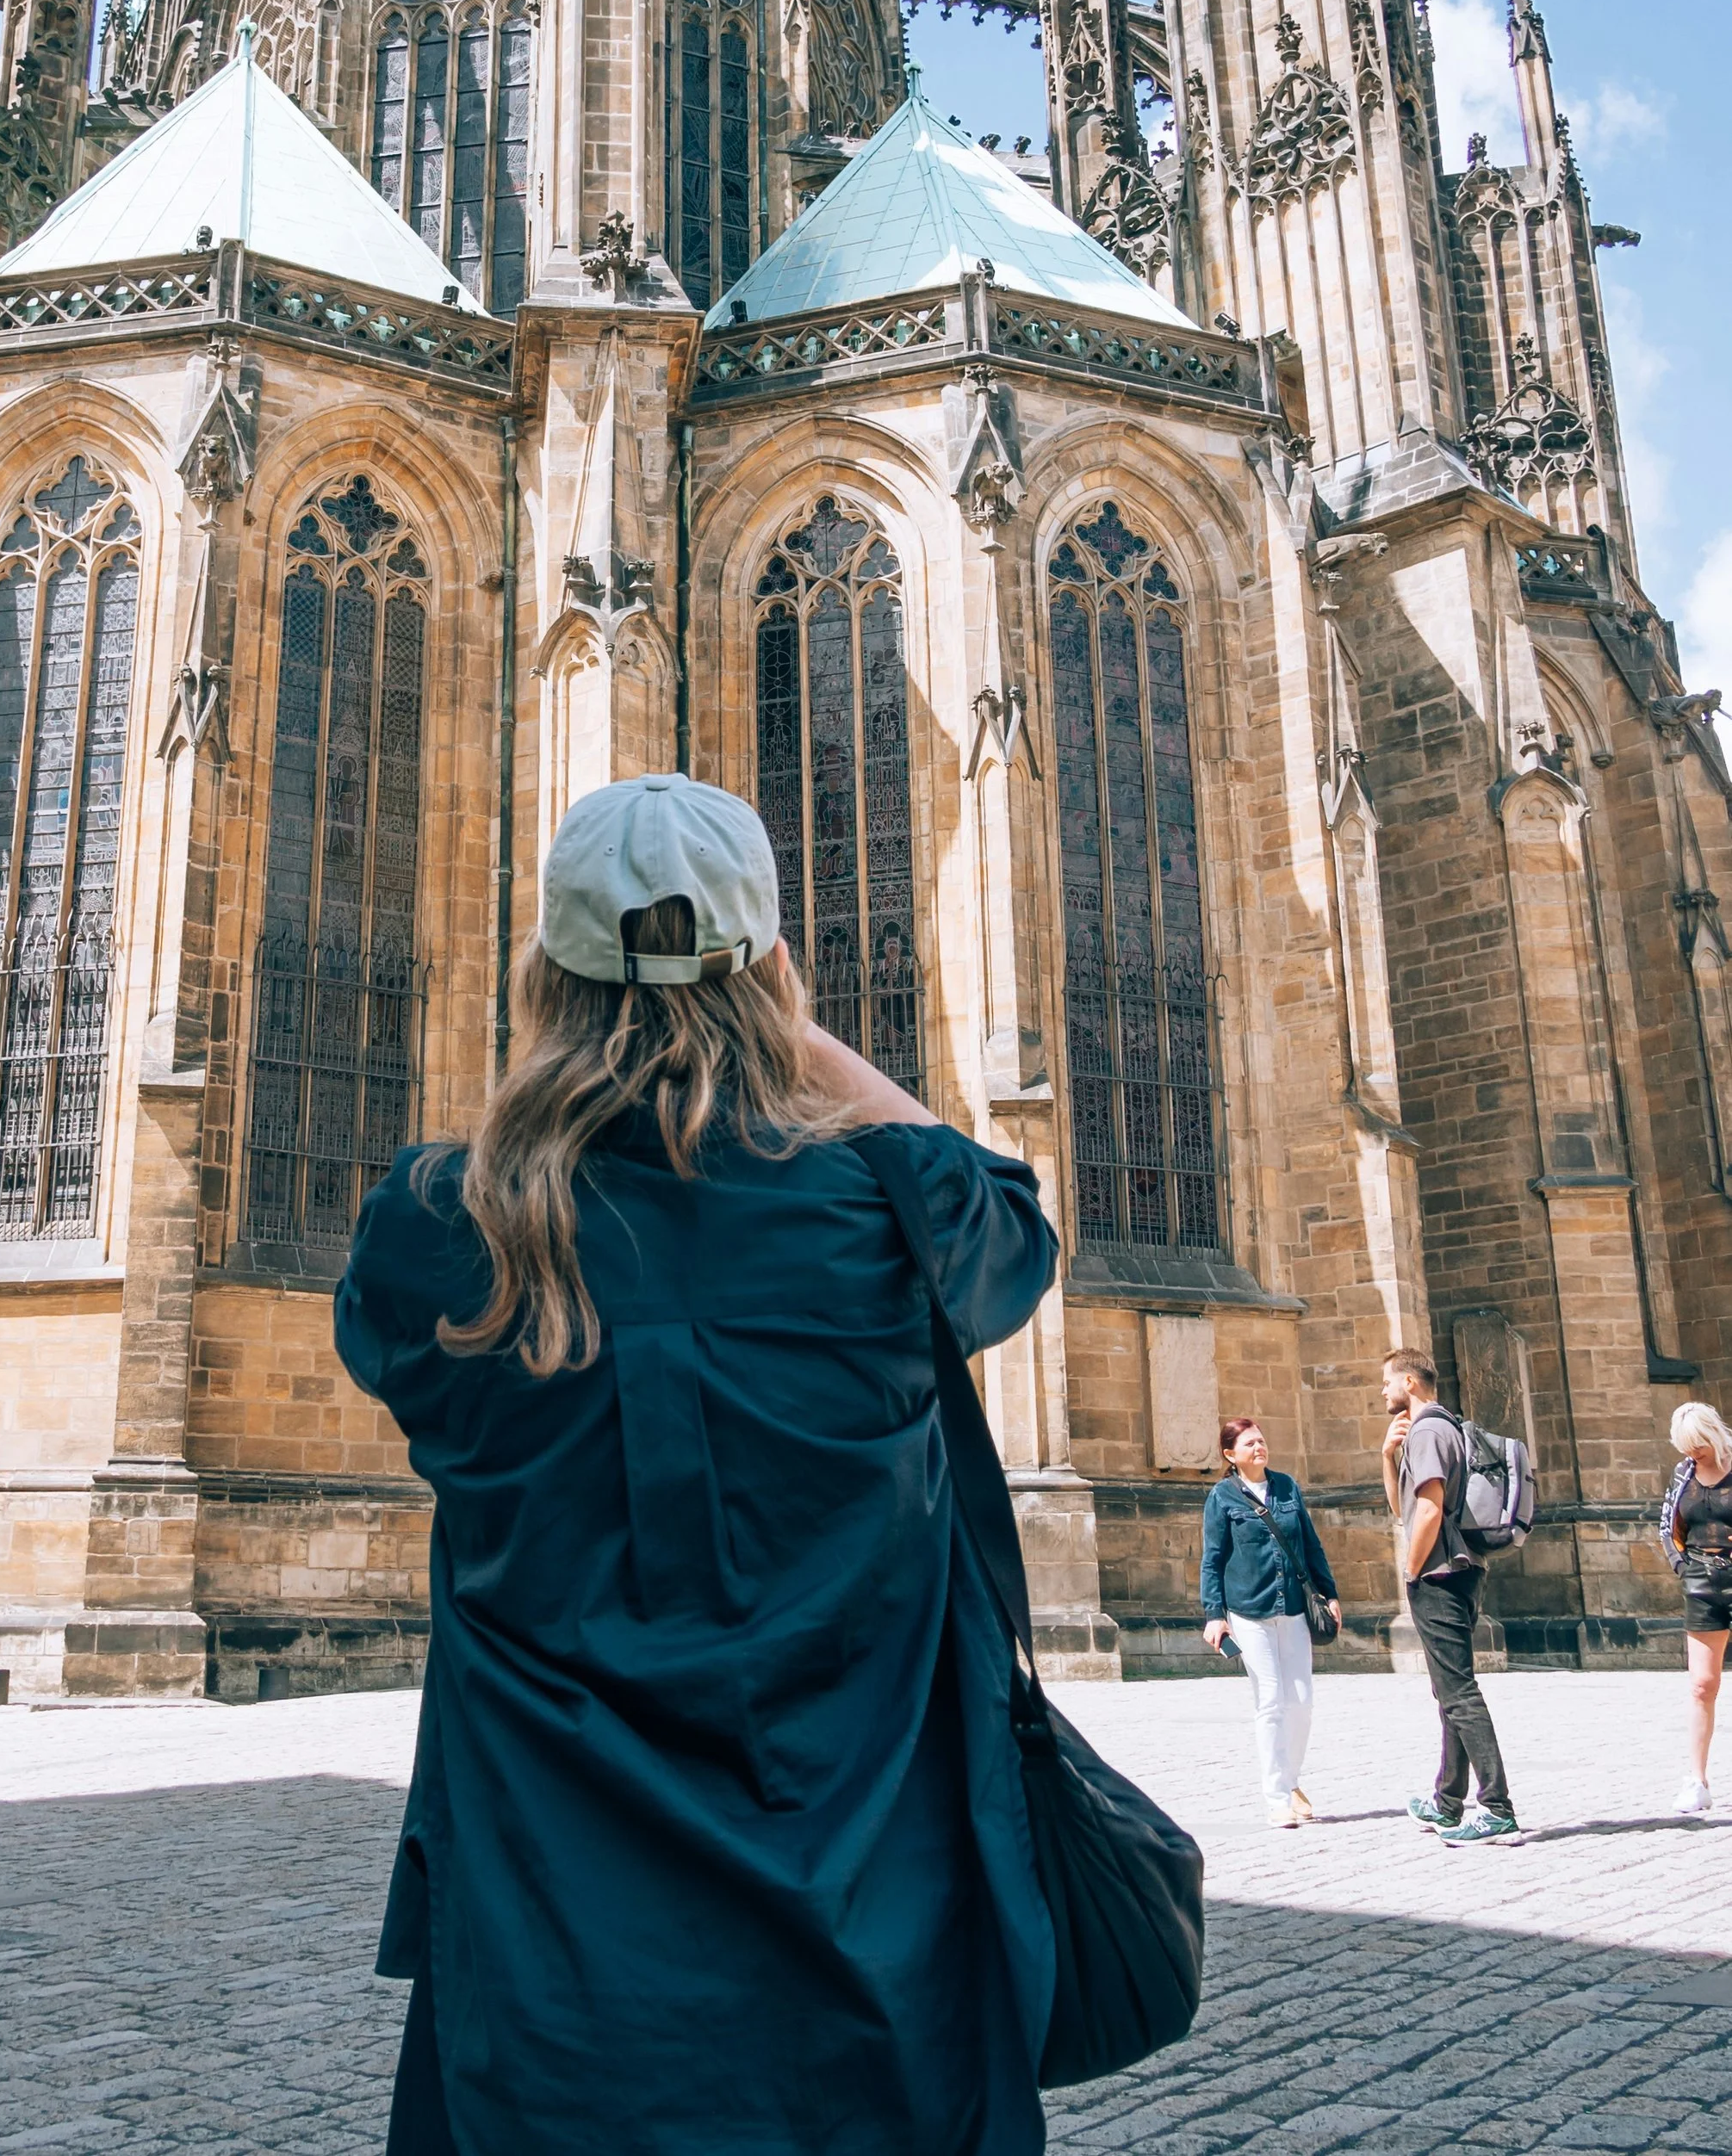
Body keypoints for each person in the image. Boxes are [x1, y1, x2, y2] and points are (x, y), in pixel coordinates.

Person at [335, 773, 1063, 2156]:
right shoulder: (886, 1217)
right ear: (774, 973)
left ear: (545, 974)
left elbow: (395, 1352)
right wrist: (800, 1035)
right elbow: (1010, 1226)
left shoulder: (434, 1232)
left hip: (550, 1970)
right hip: (869, 1945)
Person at [1381, 1348, 1518, 1843]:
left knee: (1459, 1693)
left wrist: (1411, 1570)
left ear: (1411, 1383)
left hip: (1440, 1574)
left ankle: (1498, 1808)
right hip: (1460, 1569)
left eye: (1388, 1383)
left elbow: (1429, 1510)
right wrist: (1387, 1456)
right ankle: (1446, 1802)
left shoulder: (1429, 1430)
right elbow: (1401, 1508)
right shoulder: (1443, 1428)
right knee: (1449, 1690)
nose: (1384, 1392)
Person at [1200, 1416, 1342, 1826]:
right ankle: (1276, 1798)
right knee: (1271, 1701)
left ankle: (1291, 1780)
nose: (1259, 1447)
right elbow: (1212, 1560)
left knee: (1301, 1701)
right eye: (1249, 1443)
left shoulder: (1287, 1487)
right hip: (1248, 1611)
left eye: (1261, 1440)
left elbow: (1311, 1545)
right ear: (1231, 1454)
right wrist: (1215, 1615)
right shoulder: (1222, 1497)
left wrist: (1329, 1593)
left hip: (1294, 1607)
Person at [1659, 1400, 1732, 1816]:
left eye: (1698, 1445)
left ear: (1712, 1435)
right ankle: (1697, 1780)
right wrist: (1681, 1566)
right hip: (1702, 1583)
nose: (1692, 1454)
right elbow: (1667, 1523)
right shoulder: (1684, 1472)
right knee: (1702, 1686)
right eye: (1685, 1447)